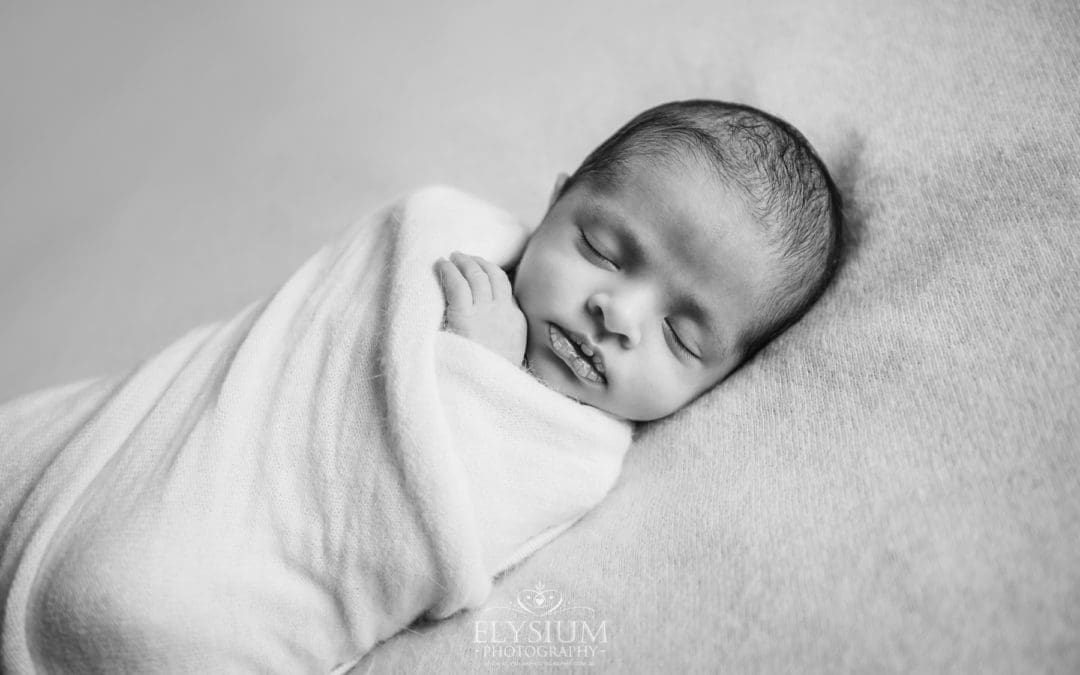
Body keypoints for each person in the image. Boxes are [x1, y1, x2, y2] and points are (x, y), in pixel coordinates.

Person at [437, 99, 842, 422]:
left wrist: (486, 375)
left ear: (723, 380)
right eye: (602, 252)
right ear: (555, 204)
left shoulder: (585, 455)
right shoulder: (455, 236)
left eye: (680, 337)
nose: (619, 317)